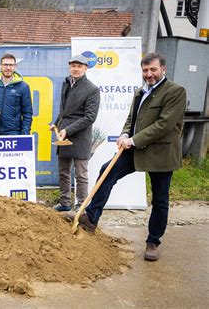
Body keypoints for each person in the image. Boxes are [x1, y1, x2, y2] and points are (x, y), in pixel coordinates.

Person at [66, 52, 187, 262]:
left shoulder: (175, 92)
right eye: (145, 70)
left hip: (161, 152)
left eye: (153, 70)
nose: (149, 74)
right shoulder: (140, 91)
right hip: (137, 147)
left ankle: (153, 242)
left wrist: (133, 140)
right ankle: (91, 219)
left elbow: (164, 125)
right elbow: (132, 118)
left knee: (160, 199)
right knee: (107, 171)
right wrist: (124, 133)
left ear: (163, 70)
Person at [51, 54, 100, 212]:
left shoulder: (92, 89)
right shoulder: (66, 83)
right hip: (63, 134)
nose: (76, 69)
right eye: (73, 66)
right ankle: (65, 203)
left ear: (86, 68)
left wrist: (67, 129)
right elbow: (64, 110)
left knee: (81, 175)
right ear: (69, 67)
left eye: (79, 66)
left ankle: (81, 207)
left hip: (80, 137)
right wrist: (57, 123)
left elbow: (90, 117)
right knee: (63, 172)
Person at [0, 53, 33, 135]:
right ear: (0, 66)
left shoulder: (23, 86)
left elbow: (27, 113)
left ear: (15, 67)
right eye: (5, 65)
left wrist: (24, 134)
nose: (8, 68)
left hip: (14, 134)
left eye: (11, 65)